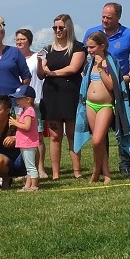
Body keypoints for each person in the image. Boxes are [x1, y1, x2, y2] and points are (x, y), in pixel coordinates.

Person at [83, 3, 130, 176]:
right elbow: (85, 57)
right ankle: (102, 167)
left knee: (124, 126)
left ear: (118, 17)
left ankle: (125, 164)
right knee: (100, 134)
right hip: (98, 91)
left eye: (109, 17)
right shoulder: (92, 33)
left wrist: (128, 77)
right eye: (103, 17)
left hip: (121, 88)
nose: (105, 20)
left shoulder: (129, 35)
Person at [36, 13, 86, 179]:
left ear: (68, 28)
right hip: (52, 96)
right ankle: (56, 173)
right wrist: (39, 64)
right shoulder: (47, 50)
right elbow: (41, 74)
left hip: (71, 94)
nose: (57, 30)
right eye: (55, 28)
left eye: (61, 27)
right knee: (55, 136)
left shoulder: (78, 47)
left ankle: (77, 171)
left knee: (72, 134)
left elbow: (73, 68)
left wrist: (53, 72)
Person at [75, 32, 119, 185]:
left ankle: (96, 169)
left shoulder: (110, 63)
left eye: (92, 47)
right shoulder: (89, 65)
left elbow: (111, 86)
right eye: (88, 47)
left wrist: (101, 69)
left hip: (105, 105)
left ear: (102, 46)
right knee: (98, 142)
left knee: (97, 140)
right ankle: (105, 173)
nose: (89, 50)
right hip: (90, 105)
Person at [14, 29, 47, 178]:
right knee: (22, 137)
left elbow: (41, 75)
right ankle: (26, 168)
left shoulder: (35, 57)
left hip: (35, 101)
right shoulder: (13, 58)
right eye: (17, 39)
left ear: (29, 41)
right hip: (19, 102)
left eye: (23, 39)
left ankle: (40, 168)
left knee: (37, 136)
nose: (20, 42)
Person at [8, 85, 40, 192]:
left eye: (19, 99)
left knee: (31, 167)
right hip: (24, 143)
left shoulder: (29, 111)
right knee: (28, 167)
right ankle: (27, 186)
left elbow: (27, 127)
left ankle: (34, 186)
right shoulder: (24, 111)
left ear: (28, 99)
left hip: (28, 143)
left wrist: (15, 123)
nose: (17, 101)